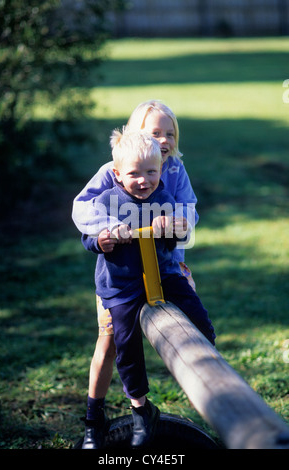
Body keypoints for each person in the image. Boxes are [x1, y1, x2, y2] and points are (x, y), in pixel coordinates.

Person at [72, 100, 199, 449]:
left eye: (170, 133)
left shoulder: (174, 170)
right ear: (133, 135)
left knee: (184, 319)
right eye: (154, 132)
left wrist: (177, 224)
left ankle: (203, 377)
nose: (163, 139)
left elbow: (189, 213)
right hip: (122, 274)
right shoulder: (115, 168)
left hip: (165, 266)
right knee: (112, 342)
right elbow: (83, 207)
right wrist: (108, 230)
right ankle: (93, 418)